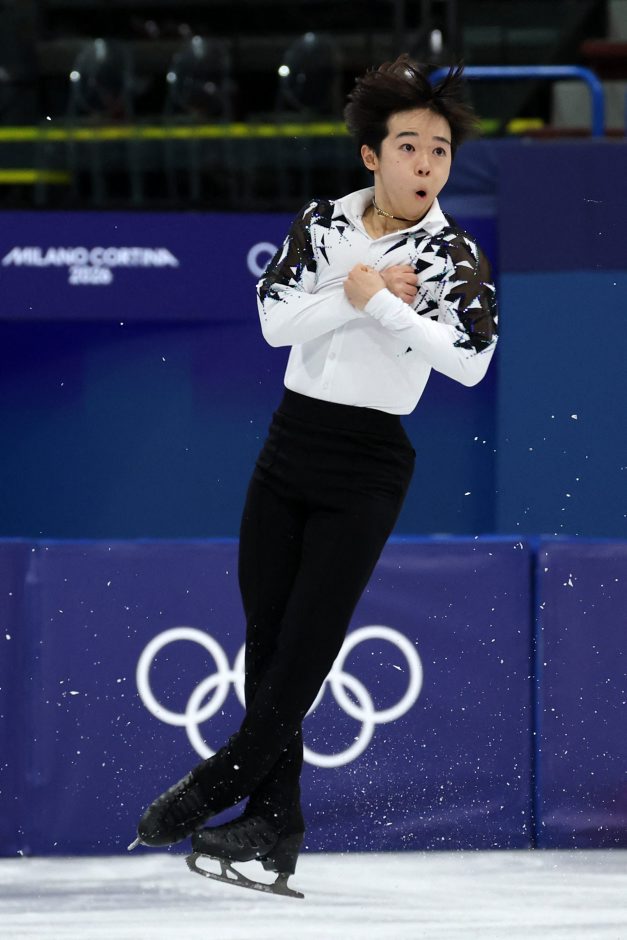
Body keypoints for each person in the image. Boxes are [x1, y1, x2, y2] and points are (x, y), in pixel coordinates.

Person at [131, 55, 498, 888]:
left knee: (306, 644)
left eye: (439, 151)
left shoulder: (451, 255)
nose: (425, 164)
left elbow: (471, 361)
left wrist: (383, 304)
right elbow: (274, 321)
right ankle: (276, 818)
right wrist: (352, 292)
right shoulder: (323, 223)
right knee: (265, 640)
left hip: (367, 463)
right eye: (408, 146)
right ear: (372, 154)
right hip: (288, 444)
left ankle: (220, 779)